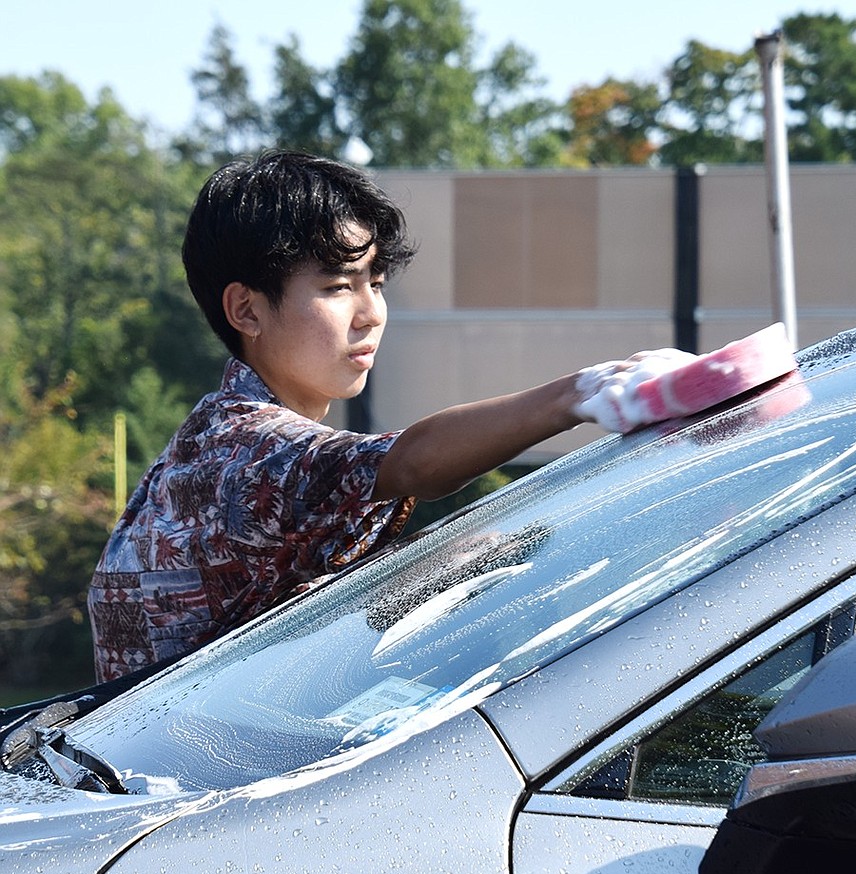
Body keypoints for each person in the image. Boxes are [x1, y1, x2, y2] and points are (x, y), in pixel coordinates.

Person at [87, 150, 678, 683]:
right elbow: (413, 464)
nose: (371, 314)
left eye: (376, 281)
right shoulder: (244, 451)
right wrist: (587, 393)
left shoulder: (211, 438)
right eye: (339, 286)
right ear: (246, 309)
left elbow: (330, 616)